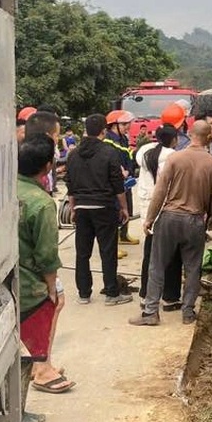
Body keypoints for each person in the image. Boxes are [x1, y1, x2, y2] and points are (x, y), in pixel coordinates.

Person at [130, 121, 212, 326]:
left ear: (189, 134)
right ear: (209, 138)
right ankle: (188, 312)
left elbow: (160, 192)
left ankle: (150, 313)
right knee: (192, 267)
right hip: (195, 219)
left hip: (169, 218)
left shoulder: (175, 158)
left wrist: (149, 219)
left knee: (157, 266)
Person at [13, 135, 72, 422]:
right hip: (28, 281)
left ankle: (39, 365)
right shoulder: (41, 202)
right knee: (52, 304)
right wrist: (53, 286)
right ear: (48, 166)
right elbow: (47, 254)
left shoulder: (4, 189)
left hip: (5, 275)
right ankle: (43, 367)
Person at [65, 114, 134, 306]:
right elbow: (117, 184)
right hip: (104, 207)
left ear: (85, 130)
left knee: (82, 253)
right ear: (104, 131)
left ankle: (84, 294)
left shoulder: (74, 154)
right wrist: (124, 207)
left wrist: (73, 208)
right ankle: (112, 294)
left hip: (81, 207)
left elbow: (70, 185)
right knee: (108, 251)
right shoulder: (108, 152)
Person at [135, 124, 183, 311]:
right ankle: (170, 298)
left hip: (148, 212)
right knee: (172, 256)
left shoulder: (145, 154)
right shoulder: (174, 159)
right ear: (174, 140)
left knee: (150, 255)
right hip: (167, 211)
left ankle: (145, 294)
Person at [104, 109, 139, 251]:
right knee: (116, 210)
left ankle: (124, 235)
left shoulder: (123, 138)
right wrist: (120, 170)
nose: (128, 127)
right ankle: (114, 242)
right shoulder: (108, 140)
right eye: (124, 124)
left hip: (126, 180)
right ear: (114, 125)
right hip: (115, 181)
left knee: (127, 207)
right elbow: (109, 159)